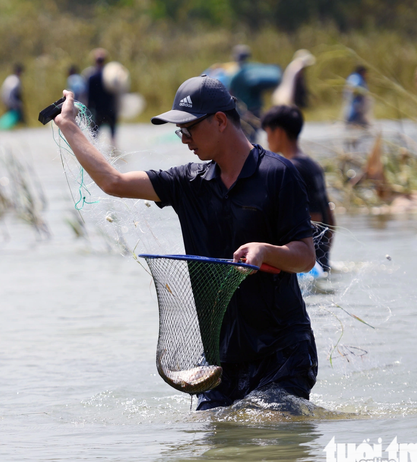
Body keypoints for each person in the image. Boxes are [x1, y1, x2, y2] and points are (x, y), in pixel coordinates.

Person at [54, 74, 318, 411]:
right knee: (212, 449)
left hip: (282, 351)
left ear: (220, 121)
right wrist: (69, 126)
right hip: (222, 356)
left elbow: (305, 256)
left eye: (188, 129)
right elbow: (113, 181)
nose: (184, 139)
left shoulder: (278, 174)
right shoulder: (188, 183)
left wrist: (265, 250)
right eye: (180, 131)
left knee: (268, 439)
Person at [262, 105, 335, 271]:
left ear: (278, 132)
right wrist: (323, 256)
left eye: (268, 133)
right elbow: (329, 215)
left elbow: (313, 217)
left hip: (307, 263)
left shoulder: (290, 169)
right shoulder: (313, 165)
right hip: (319, 259)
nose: (266, 140)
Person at [228, 45, 282, 141]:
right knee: (254, 137)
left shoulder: (235, 75)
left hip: (243, 111)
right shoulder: (253, 73)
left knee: (246, 138)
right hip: (256, 109)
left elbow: (231, 93)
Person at [86, 48, 119, 144]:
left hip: (98, 110)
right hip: (110, 109)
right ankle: (115, 156)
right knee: (113, 139)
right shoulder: (112, 77)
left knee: (94, 139)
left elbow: (89, 97)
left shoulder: (92, 77)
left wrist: (88, 111)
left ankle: (94, 157)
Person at [0, 63, 25, 128]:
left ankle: (11, 126)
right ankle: (22, 125)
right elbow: (17, 93)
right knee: (17, 113)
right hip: (11, 99)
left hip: (4, 99)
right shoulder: (16, 80)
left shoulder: (9, 78)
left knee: (11, 114)